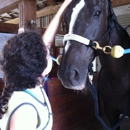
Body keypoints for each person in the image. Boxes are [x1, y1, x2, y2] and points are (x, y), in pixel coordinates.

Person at [0, 0, 73, 129]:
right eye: (47, 52)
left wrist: (62, 8)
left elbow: (47, 39)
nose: (48, 50)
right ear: (41, 69)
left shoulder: (30, 84)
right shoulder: (25, 113)